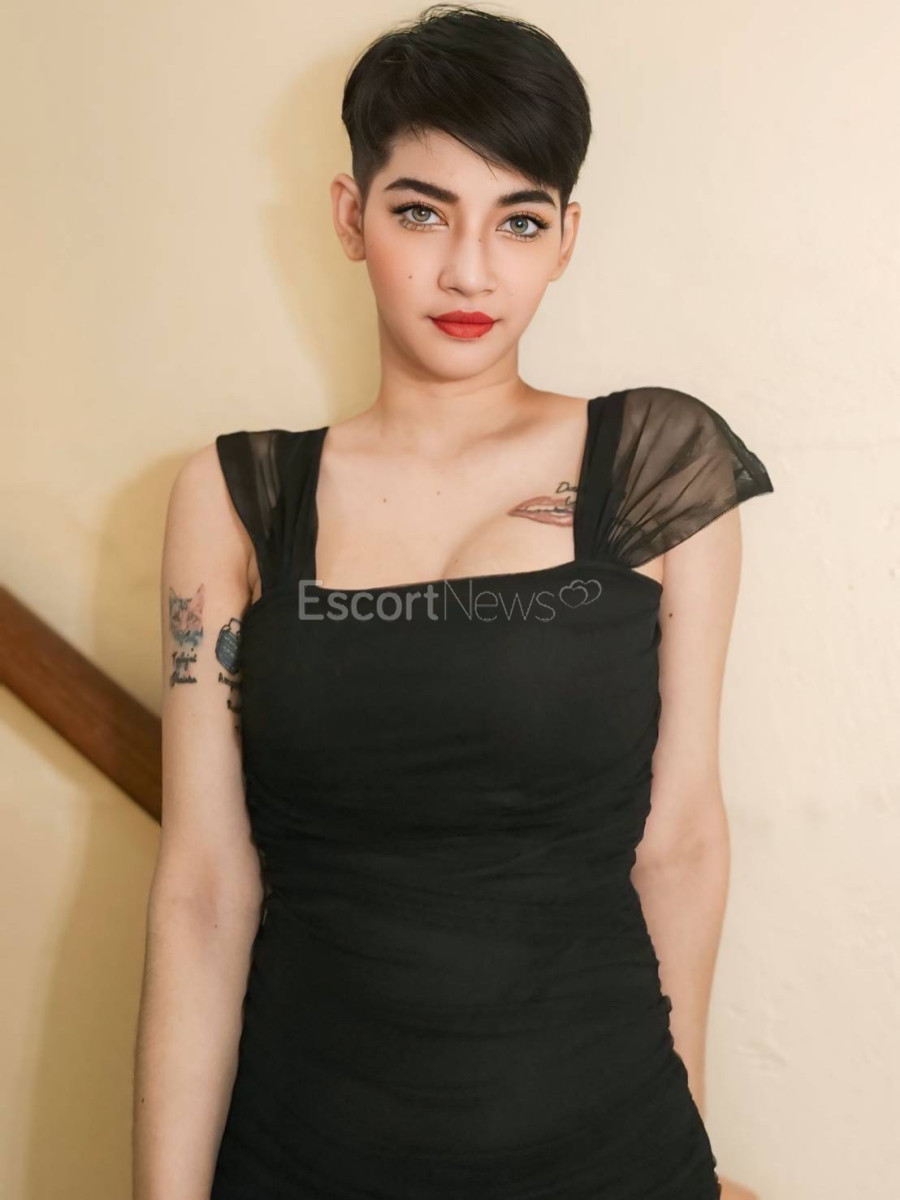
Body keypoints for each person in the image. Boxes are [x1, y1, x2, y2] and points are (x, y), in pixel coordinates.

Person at [133, 5, 774, 1198]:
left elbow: (681, 840)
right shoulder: (235, 495)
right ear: (350, 217)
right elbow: (206, 890)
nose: (470, 270)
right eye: (421, 211)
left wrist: (684, 1150)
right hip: (302, 1158)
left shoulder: (656, 467)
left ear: (566, 237)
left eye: (518, 220)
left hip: (610, 1153)